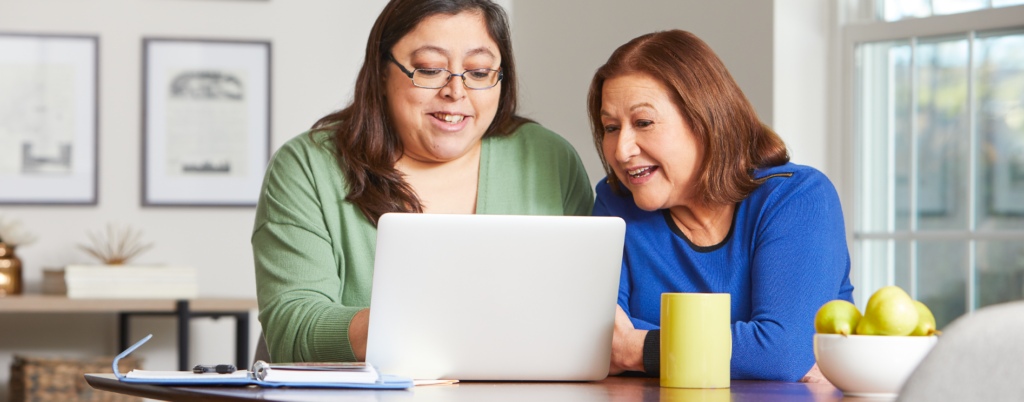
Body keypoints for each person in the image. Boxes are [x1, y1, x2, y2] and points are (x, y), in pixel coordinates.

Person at [253, 0, 592, 363]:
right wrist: (445, 323)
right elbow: (294, 331)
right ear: (382, 73)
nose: (456, 92)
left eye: (479, 72)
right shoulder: (308, 166)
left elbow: (589, 309)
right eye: (430, 69)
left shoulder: (548, 158)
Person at [588, 30, 854, 382]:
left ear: (706, 119)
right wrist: (748, 348)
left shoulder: (797, 198)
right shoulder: (614, 203)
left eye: (643, 123)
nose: (621, 151)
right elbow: (597, 339)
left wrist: (639, 348)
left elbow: (782, 352)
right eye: (610, 127)